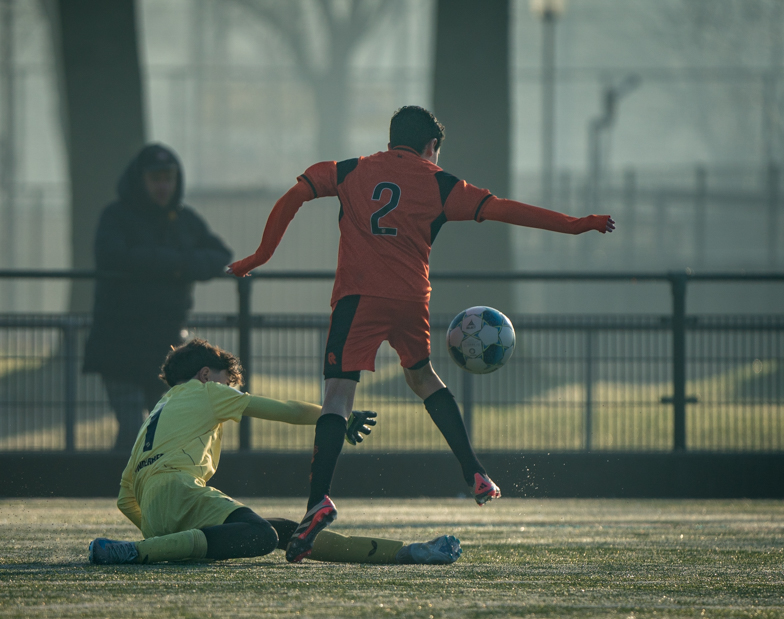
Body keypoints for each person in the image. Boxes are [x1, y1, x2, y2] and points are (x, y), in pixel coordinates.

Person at [228, 105, 616, 563]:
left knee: (337, 398)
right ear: (431, 146)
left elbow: (294, 196)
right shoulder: (441, 184)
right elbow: (507, 210)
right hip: (412, 300)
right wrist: (575, 225)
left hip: (358, 299)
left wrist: (259, 256)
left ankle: (318, 503)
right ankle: (474, 472)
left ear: (393, 138)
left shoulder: (350, 170)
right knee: (423, 377)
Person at [88, 338, 462, 566]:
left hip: (156, 509)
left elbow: (125, 497)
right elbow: (286, 410)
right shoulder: (206, 392)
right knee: (261, 537)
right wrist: (336, 415)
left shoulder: (155, 414)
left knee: (286, 531)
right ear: (205, 375)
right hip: (181, 493)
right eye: (226, 381)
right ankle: (140, 552)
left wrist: (161, 531)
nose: (229, 390)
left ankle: (406, 552)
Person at [83, 144, 232, 451]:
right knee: (134, 429)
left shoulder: (183, 220)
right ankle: (131, 492)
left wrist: (168, 264)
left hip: (163, 346)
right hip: (120, 341)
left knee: (160, 428)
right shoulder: (117, 216)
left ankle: (137, 491)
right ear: (141, 180)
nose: (163, 186)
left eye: (168, 178)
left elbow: (220, 254)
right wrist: (178, 264)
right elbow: (112, 256)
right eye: (156, 179)